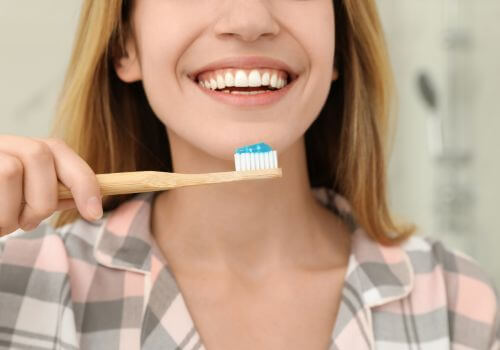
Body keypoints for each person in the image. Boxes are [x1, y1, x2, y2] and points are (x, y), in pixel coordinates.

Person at [0, 0, 498, 349]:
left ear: (339, 43)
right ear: (124, 43)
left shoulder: (455, 299)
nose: (249, 19)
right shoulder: (21, 285)